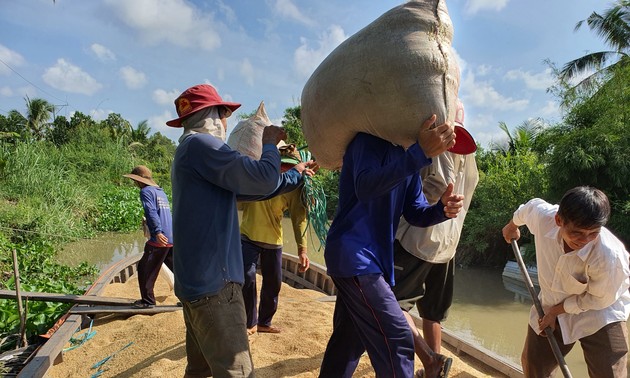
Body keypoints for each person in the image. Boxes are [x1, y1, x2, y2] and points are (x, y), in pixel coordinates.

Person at [168, 83, 316, 378]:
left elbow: (248, 191)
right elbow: (260, 180)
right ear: (214, 115)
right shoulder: (202, 145)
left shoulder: (188, 151)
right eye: (224, 115)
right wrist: (270, 142)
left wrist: (294, 178)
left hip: (195, 285)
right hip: (215, 288)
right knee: (237, 371)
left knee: (199, 369)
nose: (226, 123)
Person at [318, 113, 465, 378]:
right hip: (354, 256)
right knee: (397, 336)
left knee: (348, 342)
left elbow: (415, 212)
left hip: (372, 261)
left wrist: (441, 210)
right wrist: (418, 155)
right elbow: (365, 187)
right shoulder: (368, 142)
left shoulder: (407, 154)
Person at [502, 186, 630, 378]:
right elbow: (528, 208)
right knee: (534, 366)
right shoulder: (544, 217)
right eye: (577, 232)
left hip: (602, 311)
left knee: (609, 372)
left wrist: (555, 311)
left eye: (593, 233)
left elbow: (596, 300)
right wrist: (512, 225)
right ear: (559, 221)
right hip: (552, 301)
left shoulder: (610, 257)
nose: (584, 240)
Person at [392, 99, 479, 378]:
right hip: (449, 244)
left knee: (390, 302)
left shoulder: (438, 148)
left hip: (420, 239)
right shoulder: (469, 156)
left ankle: (430, 359)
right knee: (433, 311)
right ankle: (434, 371)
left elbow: (436, 188)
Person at [240, 142, 313, 335]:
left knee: (273, 283)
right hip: (248, 236)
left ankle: (264, 322)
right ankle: (250, 322)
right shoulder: (258, 178)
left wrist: (302, 250)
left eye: (290, 167)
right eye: (283, 165)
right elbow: (237, 202)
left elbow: (299, 219)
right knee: (247, 278)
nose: (285, 170)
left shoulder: (294, 187)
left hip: (273, 240)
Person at [123, 165, 174, 309]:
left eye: (135, 181)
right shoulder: (160, 192)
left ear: (139, 180)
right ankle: (188, 298)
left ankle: (148, 301)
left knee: (145, 269)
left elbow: (151, 212)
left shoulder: (146, 191)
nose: (135, 184)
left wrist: (157, 232)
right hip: (171, 236)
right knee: (178, 270)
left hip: (160, 238)